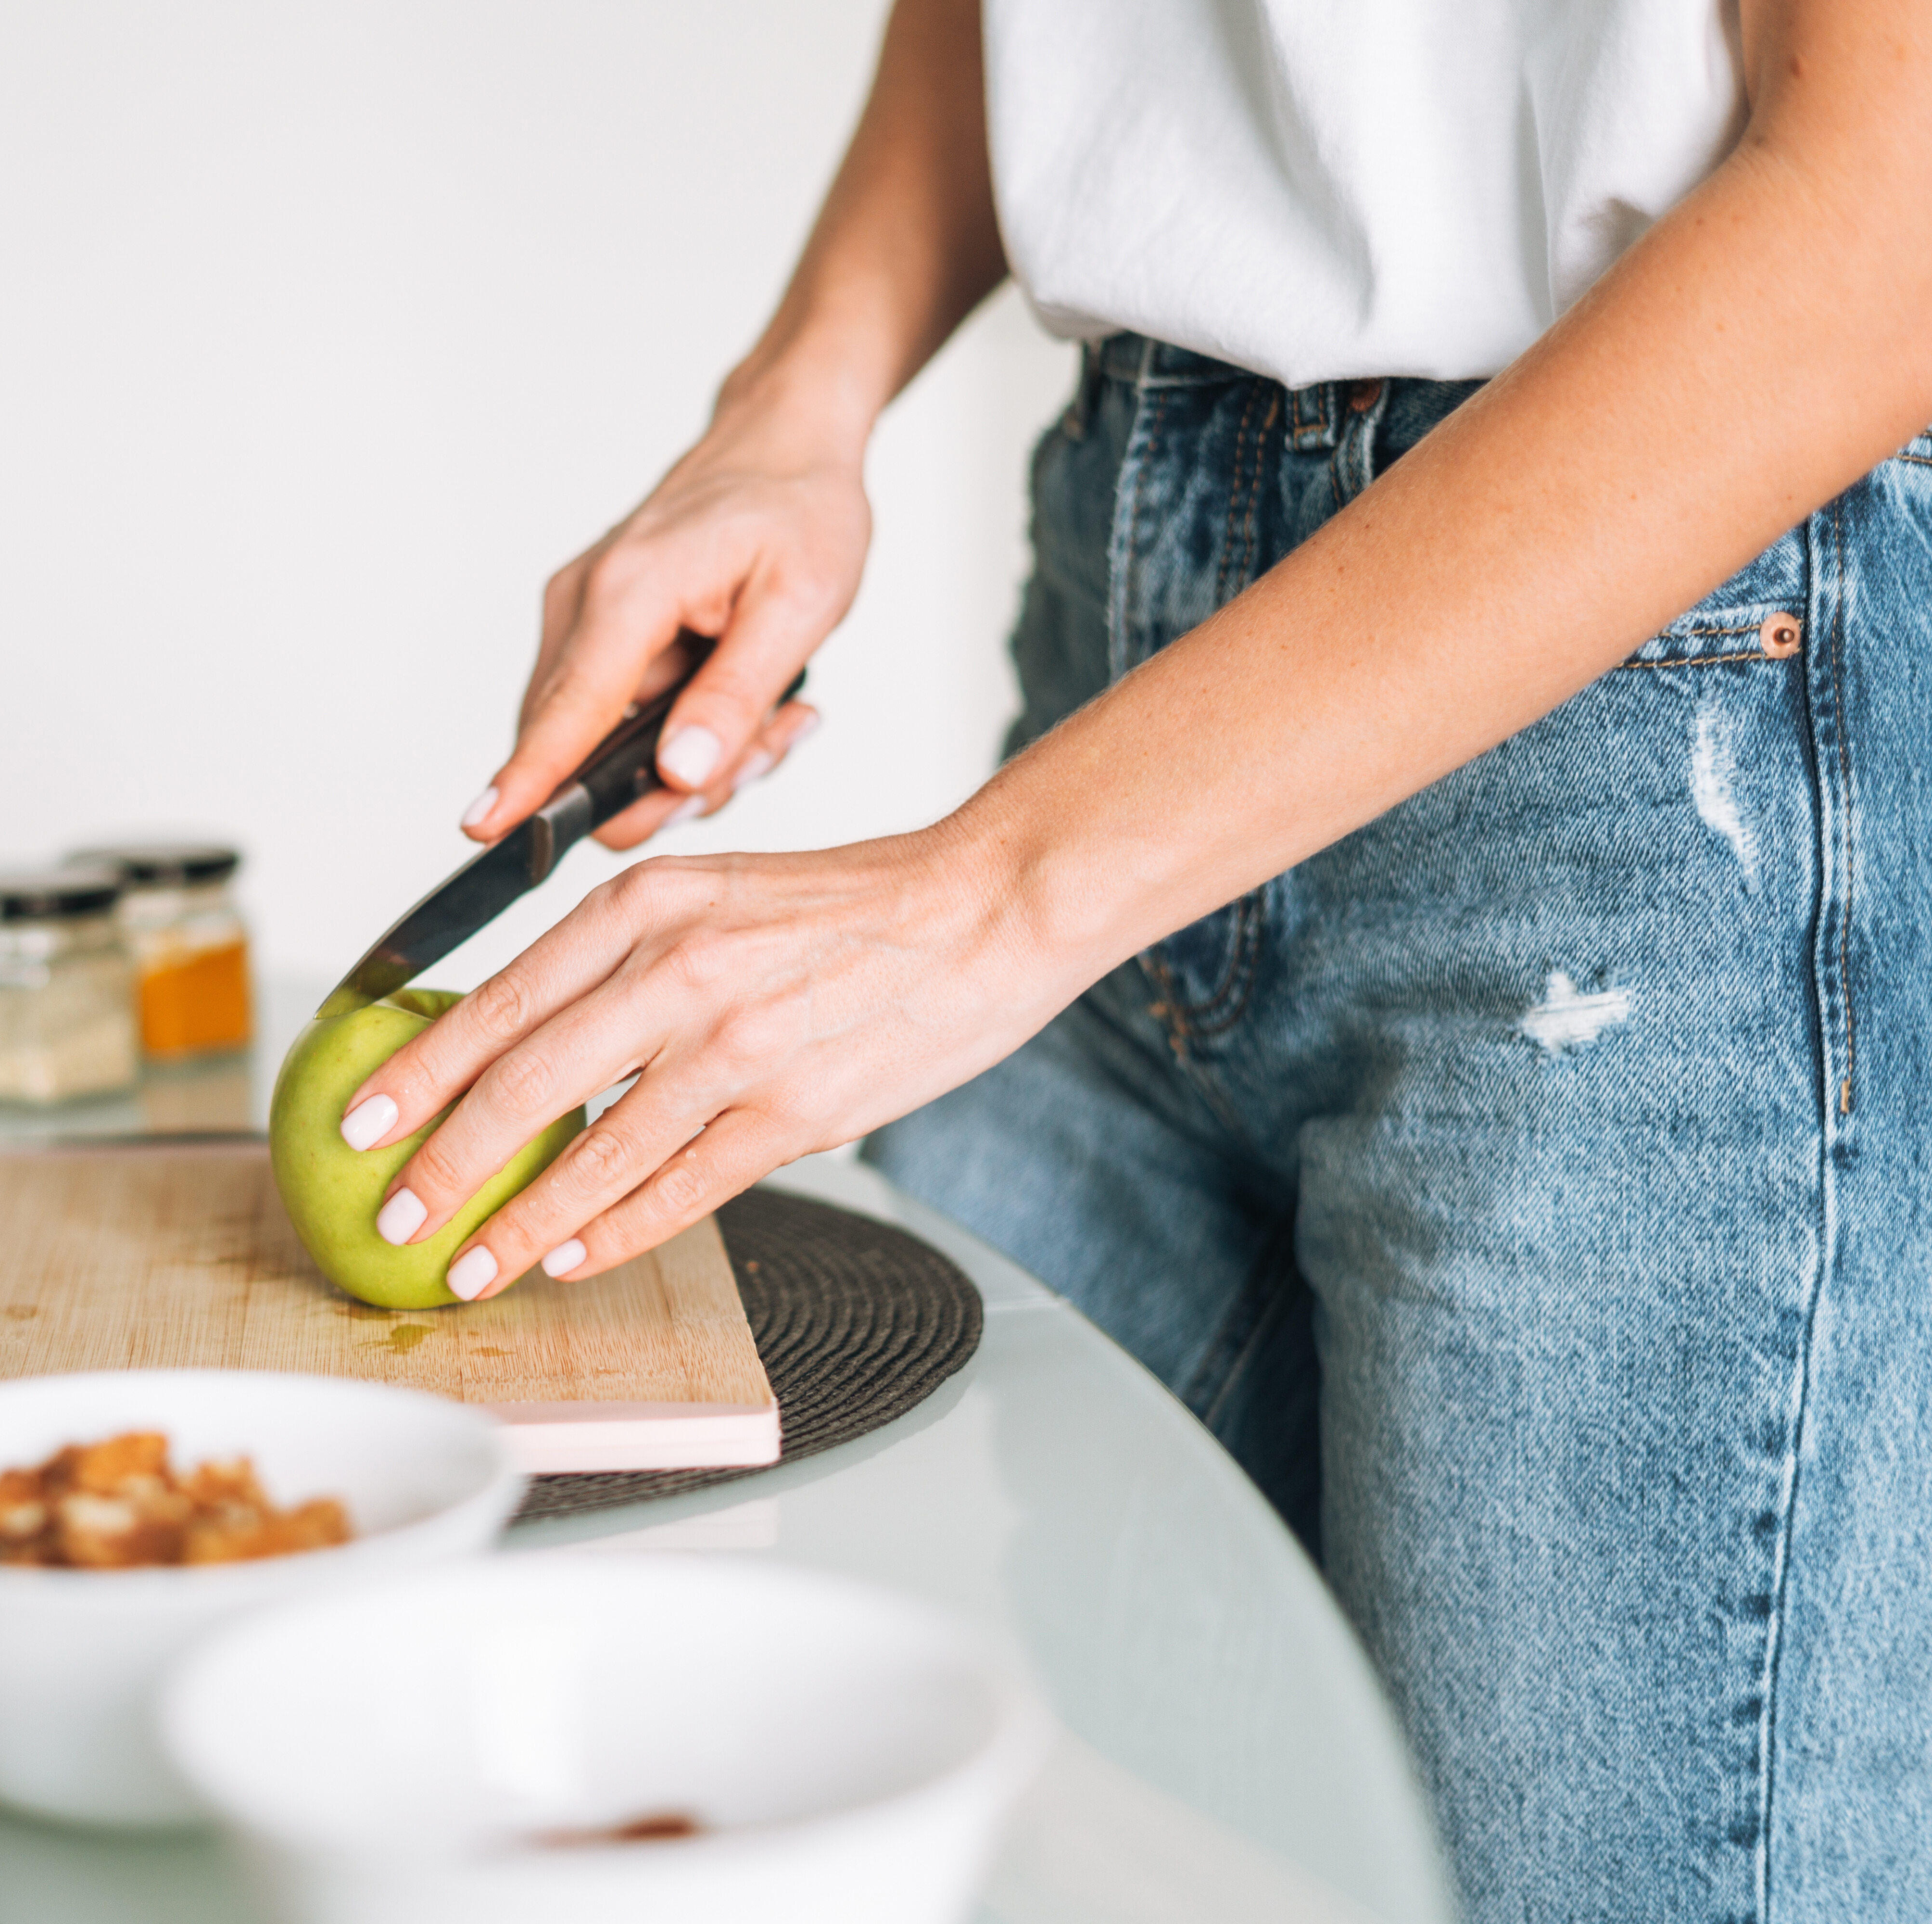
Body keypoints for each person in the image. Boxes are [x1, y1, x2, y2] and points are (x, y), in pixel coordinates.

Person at [324, 0, 1932, 1916]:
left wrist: (992, 900)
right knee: (1005, 1833)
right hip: (1123, 606)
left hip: (1646, 721)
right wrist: (795, 404)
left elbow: (1886, 203)